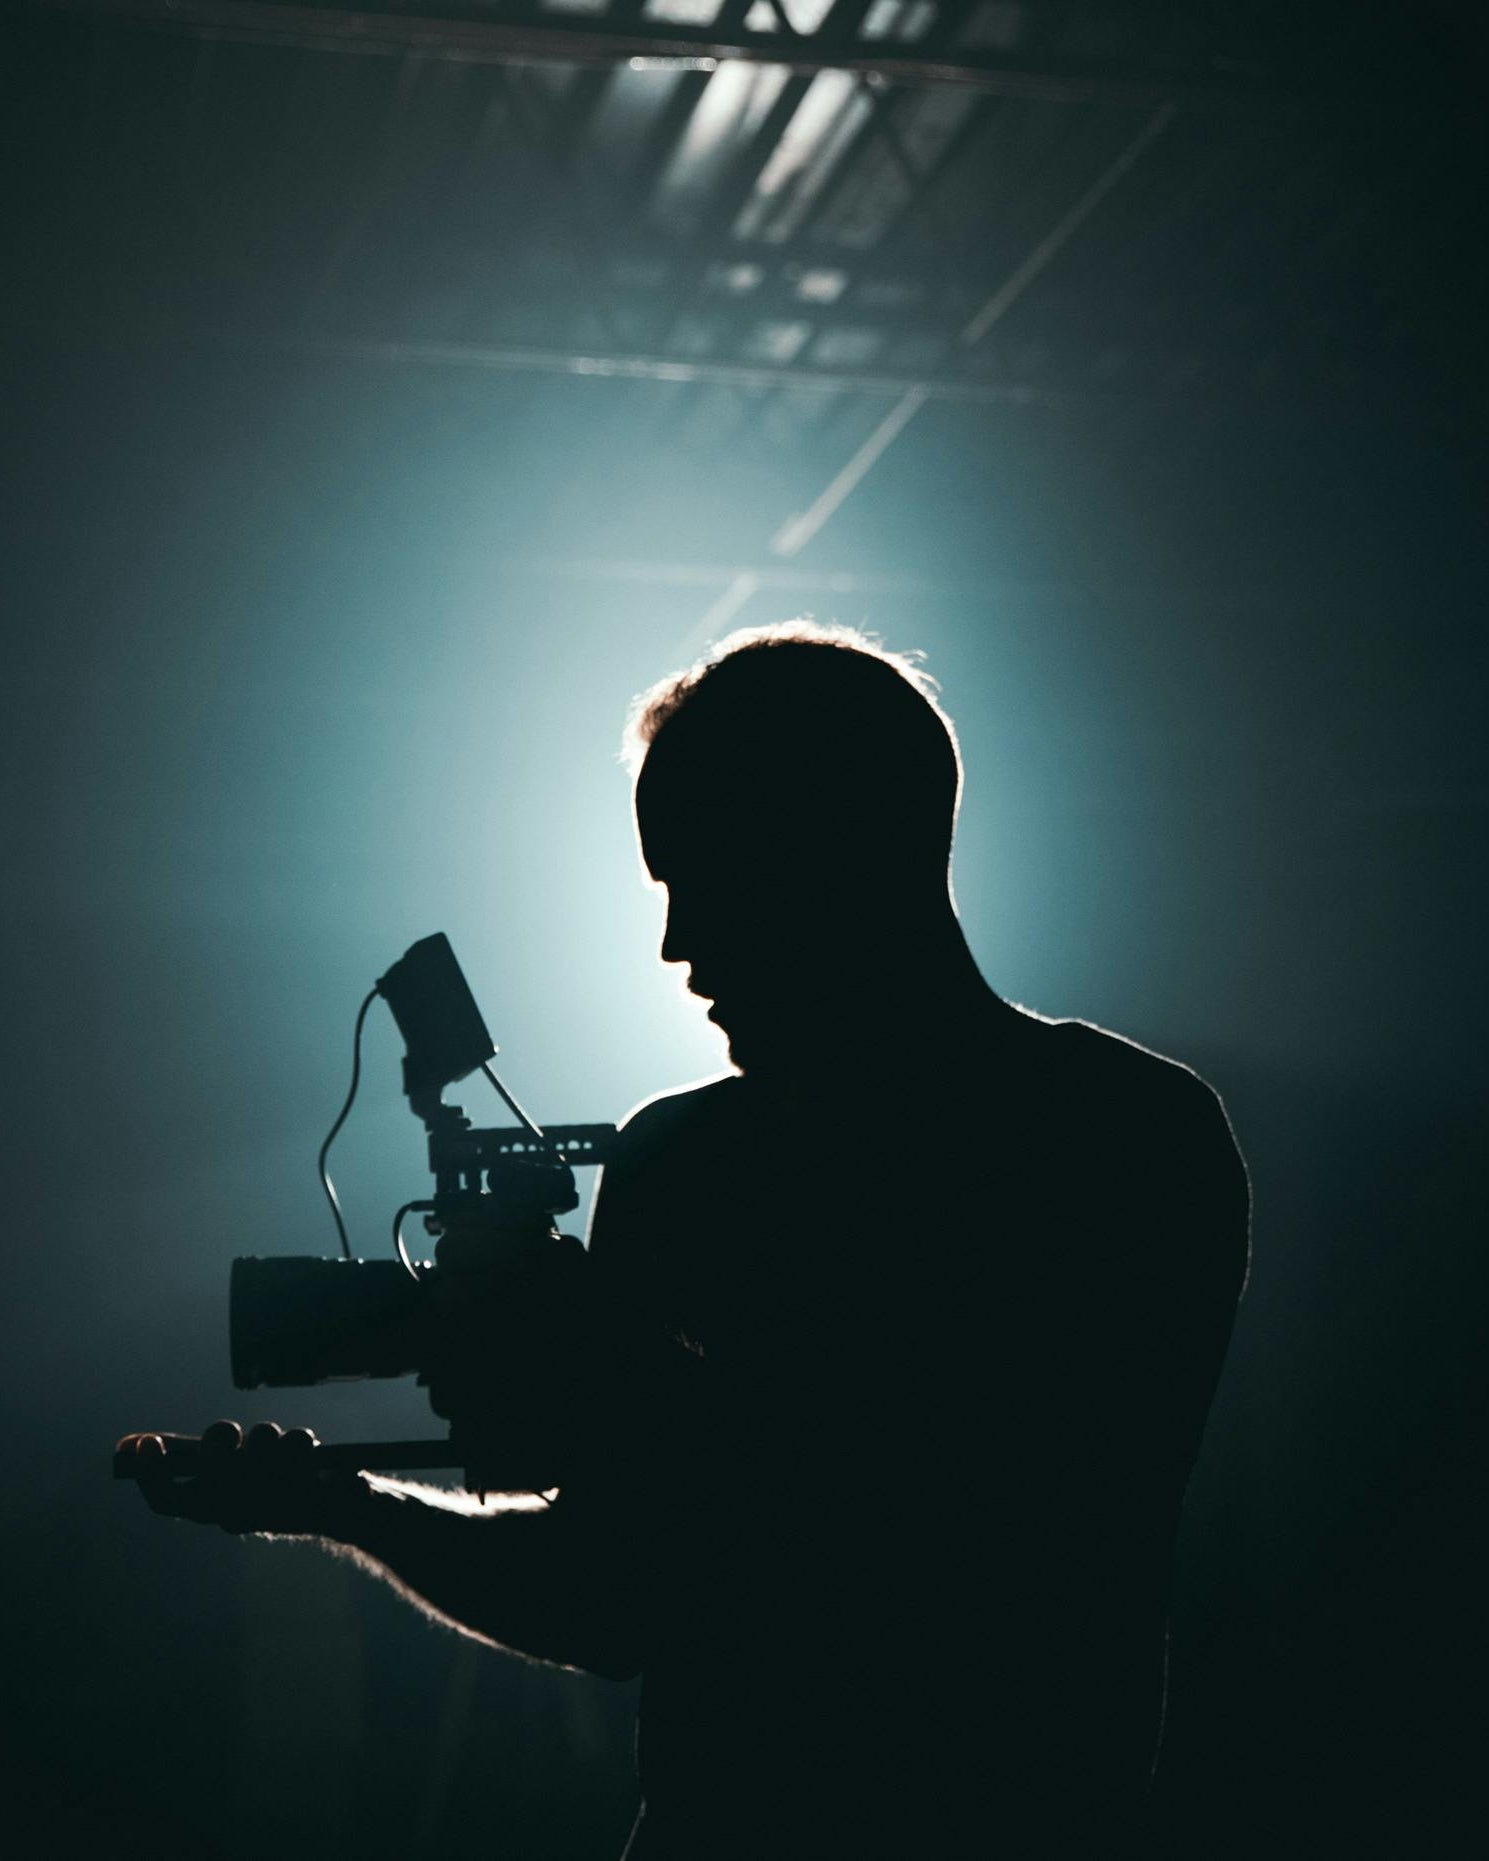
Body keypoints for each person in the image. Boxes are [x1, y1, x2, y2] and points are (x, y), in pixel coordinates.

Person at [127, 623, 1250, 1858]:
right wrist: (344, 1504)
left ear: (843, 849)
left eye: (704, 875)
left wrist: (607, 1358)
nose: (675, 948)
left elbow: (980, 1540)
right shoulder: (686, 1159)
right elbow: (613, 1592)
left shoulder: (1122, 1142)